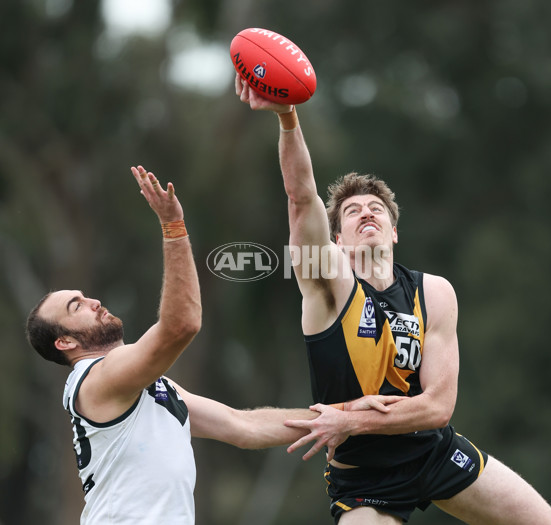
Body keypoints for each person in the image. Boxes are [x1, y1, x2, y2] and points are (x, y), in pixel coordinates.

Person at [235, 75, 551, 525]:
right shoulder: (327, 283)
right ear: (336, 239)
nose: (365, 212)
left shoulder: (434, 293)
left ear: (394, 231)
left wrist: (352, 419)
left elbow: (437, 408)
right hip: (365, 479)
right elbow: (301, 198)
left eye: (376, 208)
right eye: (352, 212)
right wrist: (286, 116)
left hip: (434, 453)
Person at [24, 165, 400, 525]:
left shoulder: (150, 389)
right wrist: (173, 227)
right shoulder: (96, 379)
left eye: (85, 296)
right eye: (77, 306)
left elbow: (243, 426)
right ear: (65, 341)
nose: (92, 302)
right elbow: (181, 325)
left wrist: (344, 415)